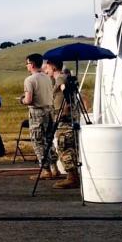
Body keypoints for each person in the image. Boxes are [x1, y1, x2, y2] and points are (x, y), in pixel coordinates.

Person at [19, 53, 62, 180]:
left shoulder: (29, 80)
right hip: (50, 110)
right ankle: (55, 168)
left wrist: (21, 100)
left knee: (38, 141)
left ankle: (45, 170)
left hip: (37, 112)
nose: (26, 66)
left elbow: (29, 99)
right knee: (49, 140)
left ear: (31, 64)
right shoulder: (47, 77)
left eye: (27, 64)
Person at [44, 59, 80, 189]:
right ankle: (72, 175)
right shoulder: (62, 79)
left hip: (64, 120)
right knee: (67, 147)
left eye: (47, 67)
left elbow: (67, 98)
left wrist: (64, 113)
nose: (45, 70)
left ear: (53, 68)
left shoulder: (61, 80)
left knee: (65, 147)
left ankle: (72, 177)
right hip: (64, 119)